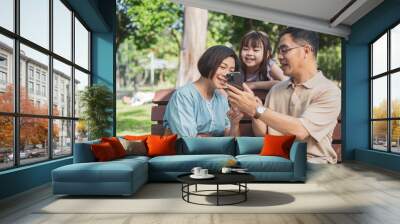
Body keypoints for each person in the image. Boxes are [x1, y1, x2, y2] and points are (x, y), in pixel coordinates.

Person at [227, 27, 341, 164]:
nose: (279, 57)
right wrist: (255, 111)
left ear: (306, 51)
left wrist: (256, 109)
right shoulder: (276, 89)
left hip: (312, 163)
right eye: (279, 51)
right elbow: (263, 134)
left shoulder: (329, 91)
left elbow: (301, 130)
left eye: (284, 50)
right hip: (275, 161)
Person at [163, 45, 243, 137]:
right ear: (208, 64)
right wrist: (219, 140)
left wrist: (234, 124)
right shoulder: (183, 96)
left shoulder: (222, 98)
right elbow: (188, 141)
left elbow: (232, 140)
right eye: (222, 67)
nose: (226, 74)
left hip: (218, 151)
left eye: (231, 70)